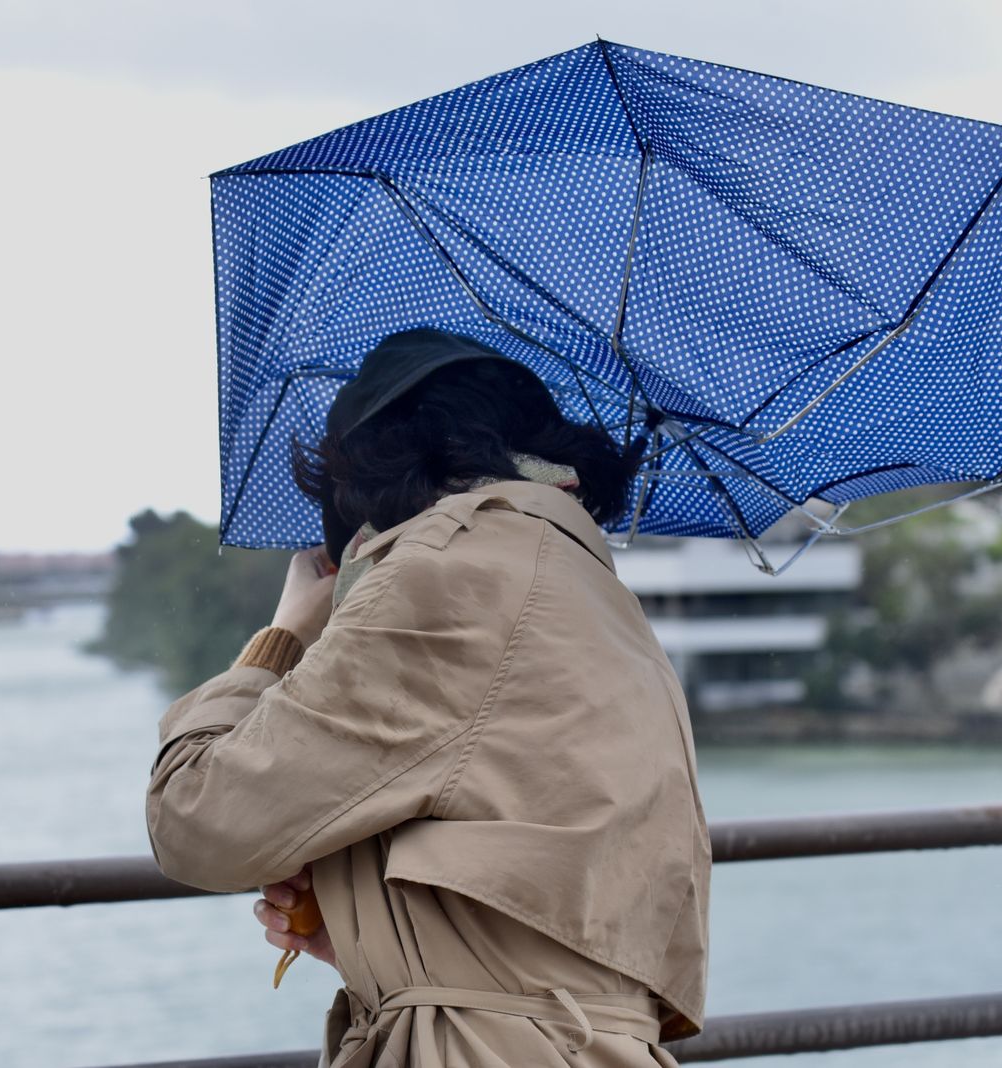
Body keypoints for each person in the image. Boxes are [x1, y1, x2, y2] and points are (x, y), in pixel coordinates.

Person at [146, 328, 710, 1067]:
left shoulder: (444, 575)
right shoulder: (599, 599)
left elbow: (195, 821)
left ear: (372, 474)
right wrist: (383, 935)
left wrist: (281, 637)